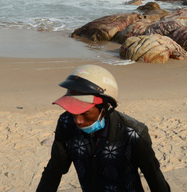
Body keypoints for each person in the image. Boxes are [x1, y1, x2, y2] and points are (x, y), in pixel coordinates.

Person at [36, 64, 171, 192]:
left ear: (105, 107)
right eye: (73, 111)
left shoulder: (133, 134)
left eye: (85, 113)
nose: (77, 120)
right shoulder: (66, 123)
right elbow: (54, 170)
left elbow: (154, 178)